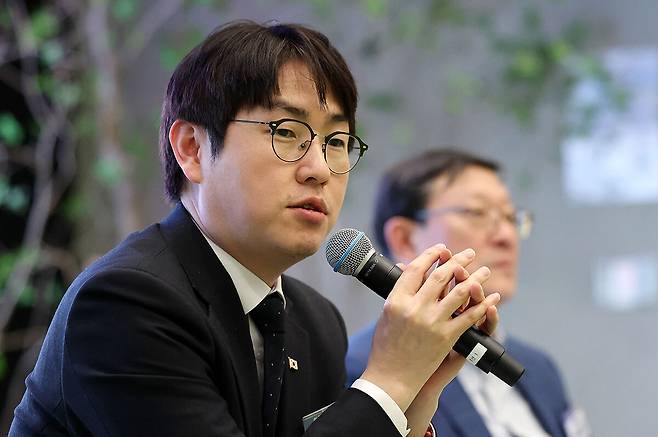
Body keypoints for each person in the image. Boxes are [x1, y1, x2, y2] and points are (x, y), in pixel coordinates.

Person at [9, 22, 501, 437]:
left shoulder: (315, 321)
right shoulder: (127, 302)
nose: (320, 169)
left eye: (336, 141)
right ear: (192, 148)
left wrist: (417, 392)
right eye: (287, 132)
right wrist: (388, 379)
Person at [346, 149, 583, 437]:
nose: (506, 236)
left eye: (511, 217)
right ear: (405, 239)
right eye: (477, 213)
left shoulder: (539, 367)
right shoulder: (361, 373)